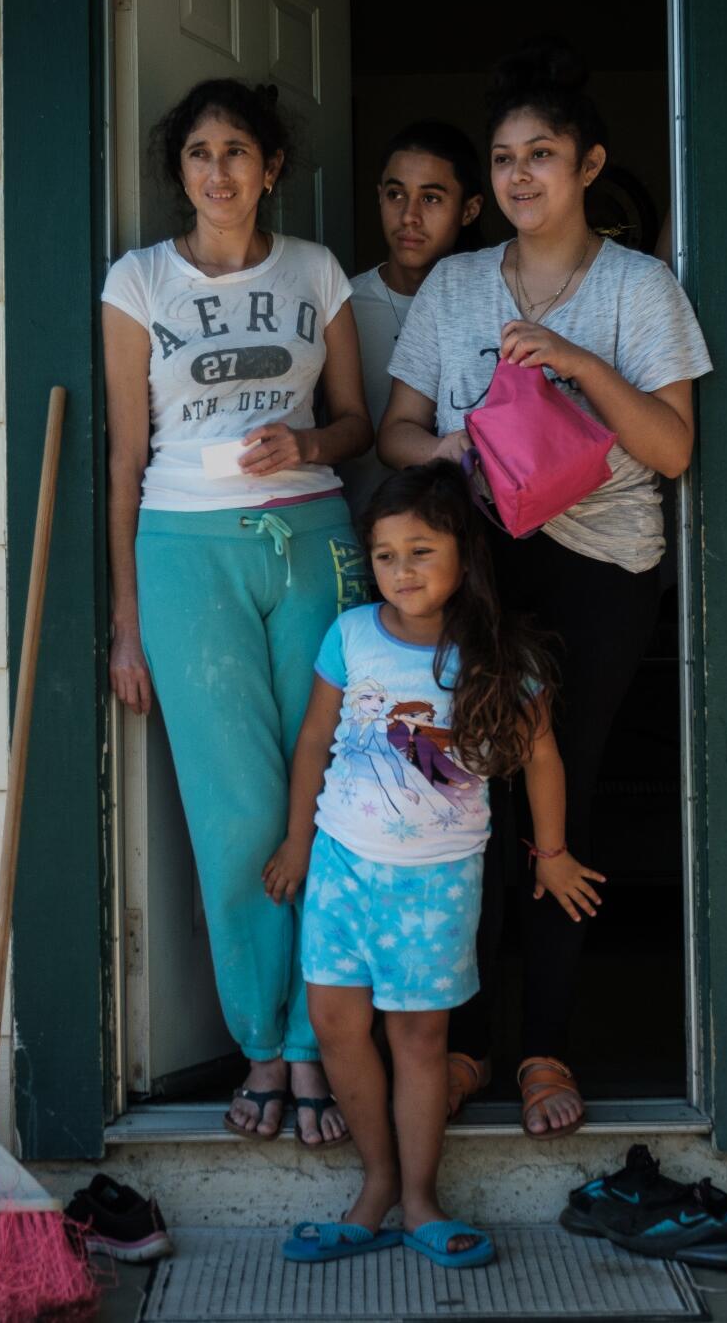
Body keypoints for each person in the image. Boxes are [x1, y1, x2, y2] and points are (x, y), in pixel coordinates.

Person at [377, 40, 713, 1138]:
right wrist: (458, 457)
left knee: (562, 797)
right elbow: (395, 429)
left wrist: (575, 361)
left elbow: (669, 449)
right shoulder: (458, 284)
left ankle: (546, 1044)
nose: (520, 176)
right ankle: (469, 1040)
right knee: (465, 790)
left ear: (588, 166)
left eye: (542, 156)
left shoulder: (637, 286)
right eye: (505, 158)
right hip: (478, 560)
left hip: (601, 569)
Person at [101, 78, 373, 1147]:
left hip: (312, 538)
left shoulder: (313, 271)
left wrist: (302, 446)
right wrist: (127, 621)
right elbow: (126, 458)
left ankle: (320, 1045)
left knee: (334, 794)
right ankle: (265, 1039)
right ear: (181, 170)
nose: (218, 172)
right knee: (235, 815)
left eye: (237, 152)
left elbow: (353, 420)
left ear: (270, 169)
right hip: (183, 551)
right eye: (199, 154)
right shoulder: (137, 282)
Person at [267, 462, 598, 1268]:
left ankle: (419, 1199)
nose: (402, 571)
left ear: (463, 556)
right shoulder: (349, 636)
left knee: (420, 1037)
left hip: (438, 882)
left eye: (421, 550)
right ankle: (375, 1184)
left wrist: (550, 856)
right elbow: (315, 739)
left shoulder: (494, 652)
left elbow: (543, 754)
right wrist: (297, 841)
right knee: (339, 1026)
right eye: (385, 555)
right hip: (344, 867)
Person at [339, 121, 484, 515]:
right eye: (395, 194)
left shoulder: (492, 308)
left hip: (465, 539)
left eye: (432, 199)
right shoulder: (341, 307)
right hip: (360, 540)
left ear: (469, 209)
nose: (409, 216)